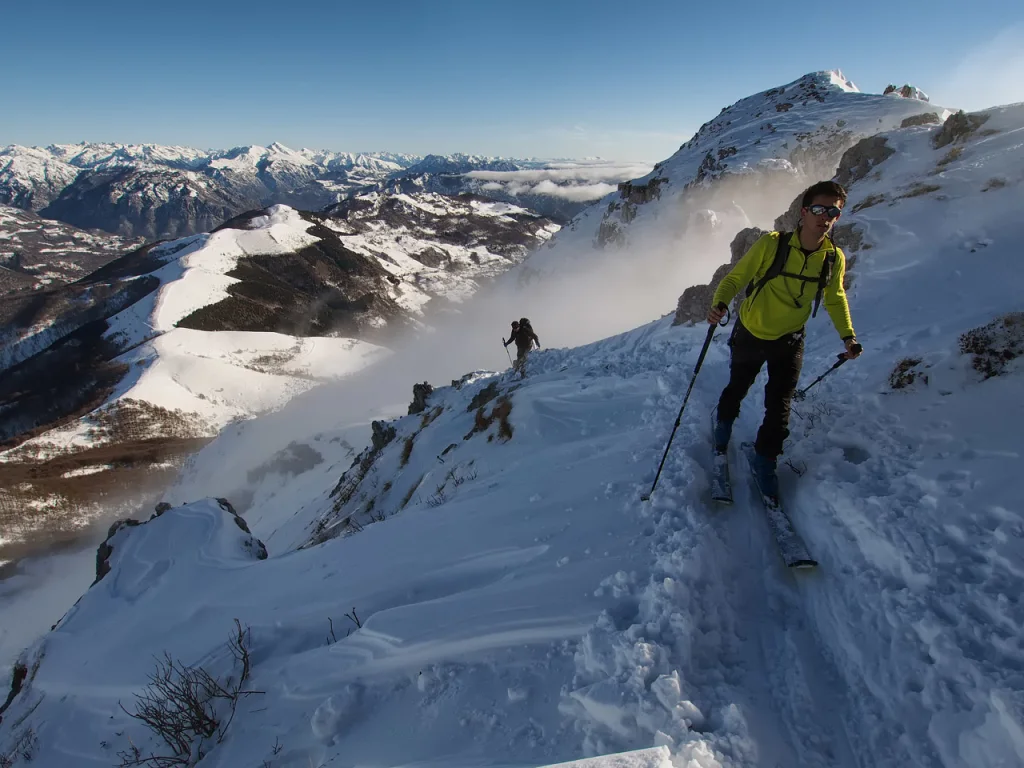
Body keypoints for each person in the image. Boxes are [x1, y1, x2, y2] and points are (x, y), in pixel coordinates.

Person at [707, 180, 862, 497]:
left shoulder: (833, 258)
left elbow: (835, 298)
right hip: (751, 332)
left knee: (780, 405)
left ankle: (765, 460)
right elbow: (737, 278)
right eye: (819, 209)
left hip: (789, 340)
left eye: (834, 211)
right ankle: (722, 430)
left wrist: (848, 337)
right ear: (804, 212)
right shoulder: (772, 245)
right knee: (737, 387)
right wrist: (719, 304)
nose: (826, 217)